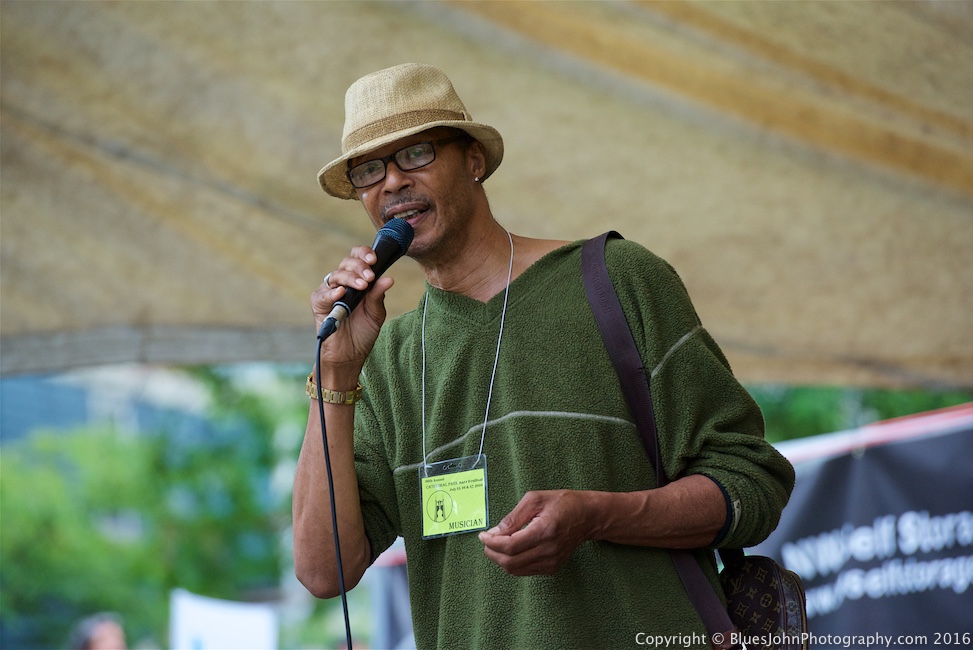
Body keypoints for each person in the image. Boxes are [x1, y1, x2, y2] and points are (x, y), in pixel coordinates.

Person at [293, 63, 795, 649]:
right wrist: (334, 374)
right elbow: (323, 570)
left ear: (475, 161)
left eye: (418, 153)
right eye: (369, 170)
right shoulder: (384, 358)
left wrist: (598, 516)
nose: (393, 183)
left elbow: (752, 484)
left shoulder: (617, 280)